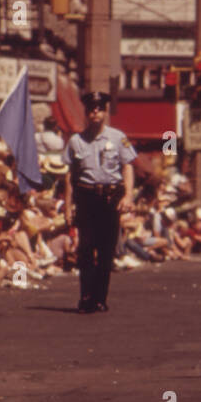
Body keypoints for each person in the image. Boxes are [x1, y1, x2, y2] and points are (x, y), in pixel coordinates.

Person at [64, 92, 136, 313]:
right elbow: (70, 176)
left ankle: (100, 297)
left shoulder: (117, 137)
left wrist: (128, 196)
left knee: (106, 251)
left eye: (99, 108)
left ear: (105, 112)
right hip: (86, 198)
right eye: (91, 109)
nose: (95, 112)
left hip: (109, 198)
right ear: (86, 113)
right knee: (86, 248)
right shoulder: (76, 141)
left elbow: (128, 166)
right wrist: (68, 206)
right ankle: (86, 296)